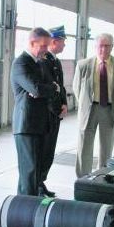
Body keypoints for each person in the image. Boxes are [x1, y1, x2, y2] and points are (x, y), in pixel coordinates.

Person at [11, 27, 60, 196]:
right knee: (29, 173)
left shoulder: (39, 63)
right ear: (32, 43)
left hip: (40, 124)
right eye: (44, 46)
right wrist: (46, 88)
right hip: (27, 126)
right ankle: (24, 213)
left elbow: (50, 86)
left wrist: (47, 88)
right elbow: (38, 89)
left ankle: (28, 209)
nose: (47, 50)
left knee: (36, 172)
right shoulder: (21, 63)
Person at [73, 33, 114, 177]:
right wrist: (85, 104)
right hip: (89, 109)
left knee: (107, 146)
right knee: (84, 144)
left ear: (112, 46)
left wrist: (113, 103)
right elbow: (76, 88)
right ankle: (83, 177)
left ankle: (102, 176)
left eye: (107, 46)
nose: (103, 49)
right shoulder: (83, 65)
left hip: (109, 109)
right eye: (100, 46)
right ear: (95, 46)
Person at [40, 25, 68, 197]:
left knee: (49, 152)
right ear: (54, 41)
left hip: (56, 114)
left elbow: (61, 87)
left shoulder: (55, 61)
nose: (64, 45)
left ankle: (41, 181)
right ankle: (37, 184)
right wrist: (55, 109)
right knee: (43, 152)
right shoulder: (44, 61)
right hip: (48, 115)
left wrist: (64, 104)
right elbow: (49, 88)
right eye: (63, 42)